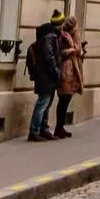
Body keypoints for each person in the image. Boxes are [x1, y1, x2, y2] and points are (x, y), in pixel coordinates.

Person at [26, 12, 64, 140]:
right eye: (62, 23)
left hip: (48, 76)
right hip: (46, 76)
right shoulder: (49, 37)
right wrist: (56, 71)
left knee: (47, 103)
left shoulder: (52, 36)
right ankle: (35, 131)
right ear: (59, 24)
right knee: (43, 103)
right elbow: (49, 57)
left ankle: (43, 128)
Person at [55, 17, 84, 138]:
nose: (77, 29)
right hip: (66, 72)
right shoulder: (63, 37)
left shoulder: (73, 37)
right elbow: (59, 53)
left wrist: (79, 50)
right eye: (75, 27)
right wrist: (71, 50)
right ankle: (58, 127)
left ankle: (60, 127)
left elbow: (79, 51)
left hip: (73, 72)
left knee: (66, 100)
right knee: (63, 100)